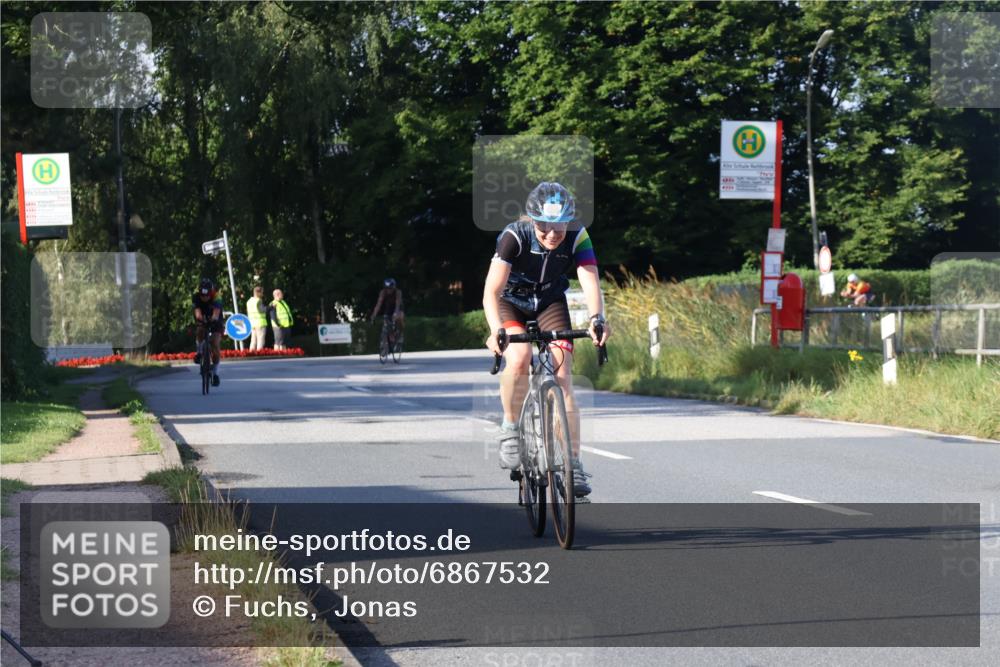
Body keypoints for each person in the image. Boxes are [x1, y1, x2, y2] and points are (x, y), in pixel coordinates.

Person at [482, 182, 611, 497]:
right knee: (520, 358)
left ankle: (573, 463)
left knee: (563, 374)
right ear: (531, 219)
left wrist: (598, 319)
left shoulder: (578, 235)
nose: (553, 233)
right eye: (545, 226)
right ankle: (511, 429)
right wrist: (495, 329)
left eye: (560, 225)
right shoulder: (515, 236)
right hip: (510, 301)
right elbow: (491, 292)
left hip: (550, 301)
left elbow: (589, 278)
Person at [192, 278, 223, 386]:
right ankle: (200, 352)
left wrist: (213, 320)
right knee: (200, 330)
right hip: (203, 316)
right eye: (202, 296)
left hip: (215, 319)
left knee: (215, 343)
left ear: (211, 293)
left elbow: (216, 313)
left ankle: (215, 374)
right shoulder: (196, 297)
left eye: (207, 296)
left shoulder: (216, 297)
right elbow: (197, 313)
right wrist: (201, 320)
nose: (204, 298)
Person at [370, 278, 405, 343]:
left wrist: (396, 313)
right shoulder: (383, 292)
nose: (389, 290)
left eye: (390, 288)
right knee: (386, 322)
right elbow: (378, 304)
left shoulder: (398, 292)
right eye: (387, 288)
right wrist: (374, 315)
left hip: (398, 307)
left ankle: (400, 333)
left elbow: (397, 303)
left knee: (400, 318)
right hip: (389, 307)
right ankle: (389, 341)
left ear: (394, 287)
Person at [246, 285, 268, 351]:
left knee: (253, 340)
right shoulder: (258, 300)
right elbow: (261, 310)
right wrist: (269, 308)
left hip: (252, 323)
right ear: (258, 293)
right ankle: (259, 353)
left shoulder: (249, 301)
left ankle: (251, 353)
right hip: (260, 323)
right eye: (262, 292)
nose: (262, 294)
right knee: (260, 340)